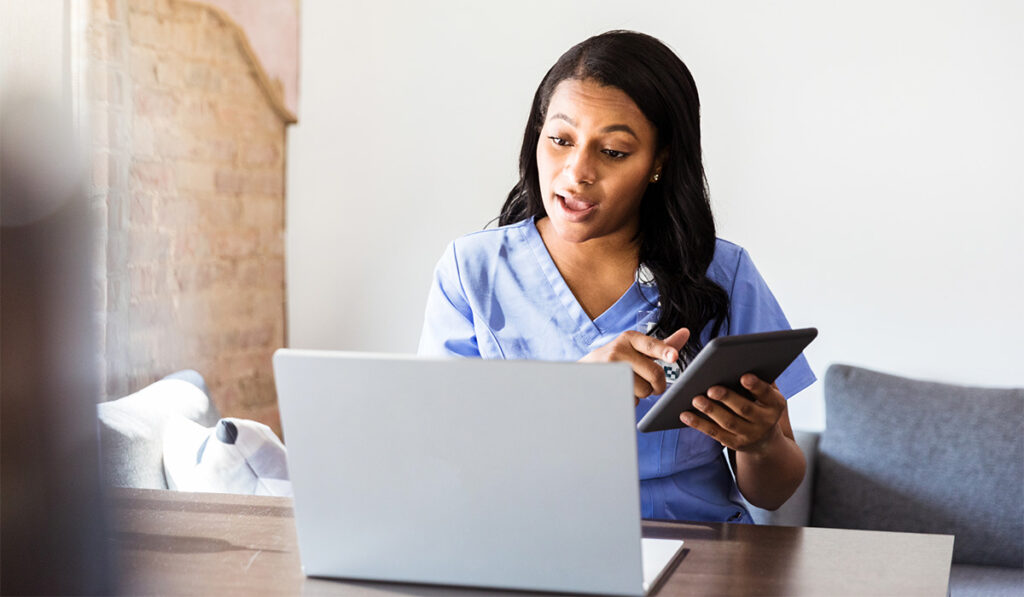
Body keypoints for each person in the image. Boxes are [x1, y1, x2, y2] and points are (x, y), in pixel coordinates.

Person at [418, 30, 815, 523]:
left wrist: (759, 443)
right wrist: (575, 398)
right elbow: (442, 466)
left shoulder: (723, 274)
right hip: (526, 546)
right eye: (560, 140)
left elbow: (774, 493)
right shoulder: (472, 271)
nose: (577, 171)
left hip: (694, 556)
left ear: (659, 162)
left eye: (614, 152)